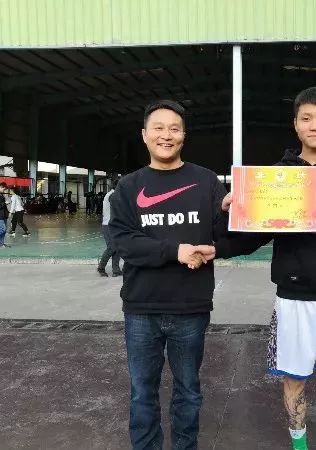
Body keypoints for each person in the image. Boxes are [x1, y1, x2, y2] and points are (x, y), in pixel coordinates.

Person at [215, 86, 316, 450]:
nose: (314, 126)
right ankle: (300, 447)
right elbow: (254, 236)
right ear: (295, 124)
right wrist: (229, 219)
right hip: (292, 296)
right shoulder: (278, 175)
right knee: (294, 379)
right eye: (306, 118)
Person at [108, 100, 225, 450]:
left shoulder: (206, 181)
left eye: (174, 128)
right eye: (158, 128)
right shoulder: (129, 186)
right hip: (141, 308)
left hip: (190, 306)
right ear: (144, 135)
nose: (166, 135)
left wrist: (237, 215)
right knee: (142, 393)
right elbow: (123, 242)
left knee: (188, 391)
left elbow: (227, 234)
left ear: (183, 135)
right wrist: (176, 251)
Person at [97, 181, 121, 277]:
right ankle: (101, 267)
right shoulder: (112, 195)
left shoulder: (112, 194)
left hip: (113, 225)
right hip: (108, 225)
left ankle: (116, 270)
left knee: (117, 247)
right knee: (111, 247)